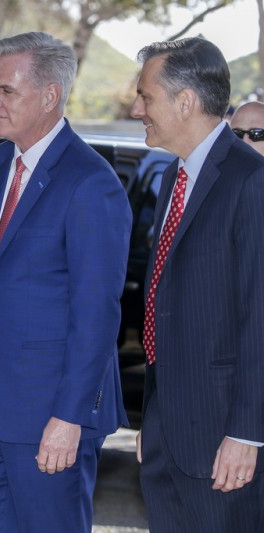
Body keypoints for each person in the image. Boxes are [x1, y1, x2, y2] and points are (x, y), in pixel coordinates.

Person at [0, 32, 131, 532]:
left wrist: (69, 418)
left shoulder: (92, 182)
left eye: (6, 90)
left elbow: (97, 316)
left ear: (50, 96)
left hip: (51, 417)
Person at [131, 37, 264, 532]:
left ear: (185, 101)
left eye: (146, 96)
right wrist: (155, 419)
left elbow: (259, 316)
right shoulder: (172, 178)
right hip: (169, 432)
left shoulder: (250, 180)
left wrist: (248, 435)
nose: (136, 107)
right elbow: (166, 307)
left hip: (225, 441)